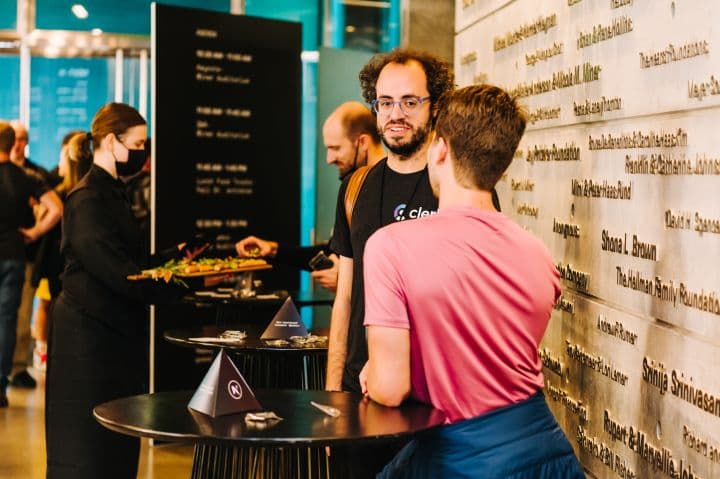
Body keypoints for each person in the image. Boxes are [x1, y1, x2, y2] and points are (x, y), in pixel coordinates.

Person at [360, 84, 584, 478]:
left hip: (461, 462)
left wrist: (376, 372)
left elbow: (389, 390)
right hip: (550, 458)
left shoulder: (389, 247)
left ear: (440, 149)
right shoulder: (538, 254)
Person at [45, 103, 204, 478]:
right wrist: (184, 283)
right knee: (88, 450)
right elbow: (118, 273)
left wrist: (175, 258)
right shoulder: (86, 199)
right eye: (139, 143)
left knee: (115, 445)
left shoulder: (113, 192)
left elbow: (129, 260)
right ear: (111, 141)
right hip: (88, 341)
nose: (143, 152)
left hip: (111, 336)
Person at [236, 101, 385, 292]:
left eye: (336, 148)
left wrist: (348, 280)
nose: (329, 159)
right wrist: (273, 250)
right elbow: (334, 254)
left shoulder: (386, 189)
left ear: (362, 142)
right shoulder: (354, 188)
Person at [0, 121, 62, 407]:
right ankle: (1, 385)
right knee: (8, 321)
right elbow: (56, 208)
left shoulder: (29, 173)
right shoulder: (26, 177)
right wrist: (35, 232)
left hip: (17, 258)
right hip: (14, 254)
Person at [30, 131, 93, 371]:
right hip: (59, 261)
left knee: (52, 306)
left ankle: (46, 350)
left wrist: (34, 230)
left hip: (55, 260)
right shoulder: (80, 193)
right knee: (49, 305)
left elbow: (47, 215)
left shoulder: (64, 193)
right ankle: (45, 349)